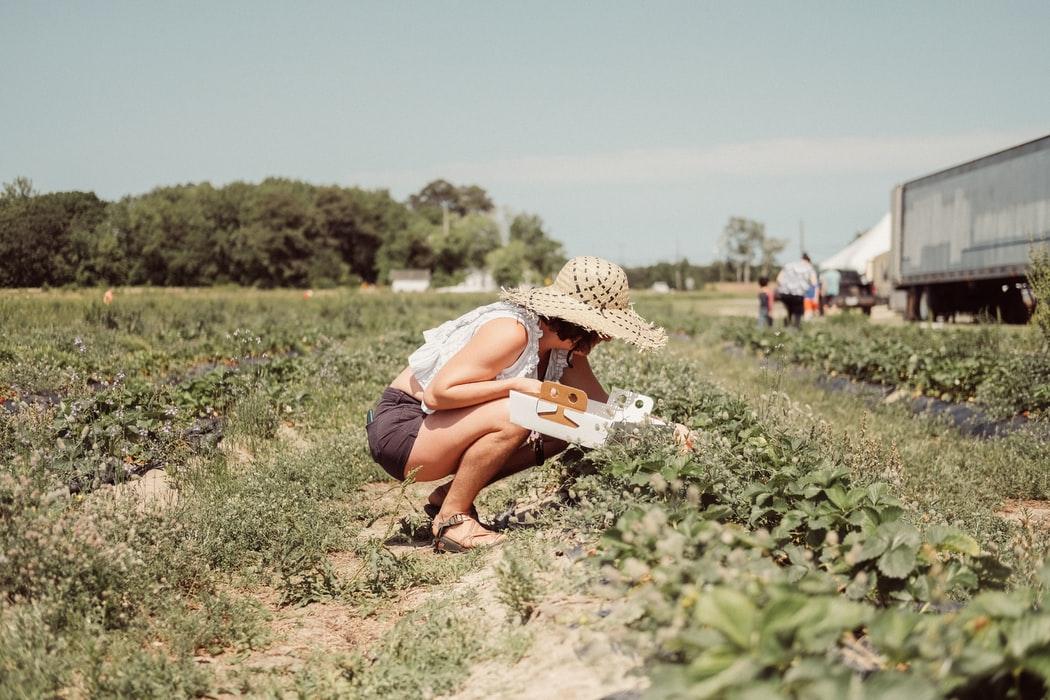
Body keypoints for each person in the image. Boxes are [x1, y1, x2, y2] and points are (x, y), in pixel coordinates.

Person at [365, 257, 668, 552]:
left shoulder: (564, 350)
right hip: (406, 429)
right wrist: (517, 385)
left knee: (565, 425)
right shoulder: (512, 331)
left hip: (438, 428)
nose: (606, 338)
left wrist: (662, 430)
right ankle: (452, 521)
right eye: (603, 329)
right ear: (580, 323)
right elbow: (438, 394)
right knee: (520, 410)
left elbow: (599, 410)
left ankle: (448, 496)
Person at [776, 253, 818, 329]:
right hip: (798, 294)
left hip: (785, 294)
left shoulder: (788, 265)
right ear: (808, 260)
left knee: (789, 311)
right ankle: (795, 329)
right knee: (797, 314)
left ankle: (787, 326)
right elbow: (814, 283)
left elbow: (778, 279)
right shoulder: (809, 268)